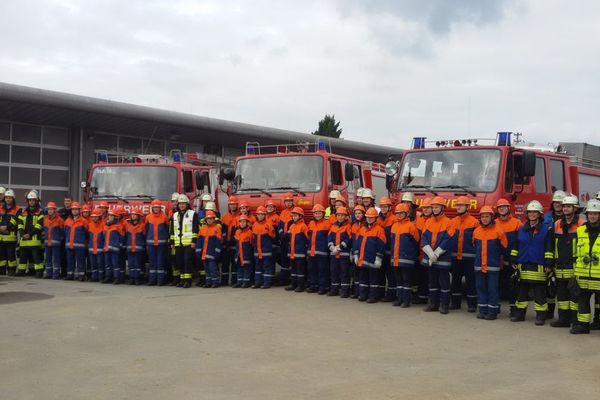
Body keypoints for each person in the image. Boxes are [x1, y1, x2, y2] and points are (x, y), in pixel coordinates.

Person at [545, 194, 586, 327]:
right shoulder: (557, 224)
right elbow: (550, 245)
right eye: (564, 206)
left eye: (569, 206)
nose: (566, 209)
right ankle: (563, 319)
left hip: (575, 268)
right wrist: (550, 264)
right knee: (561, 296)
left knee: (574, 297)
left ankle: (574, 320)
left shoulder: (581, 224)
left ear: (575, 209)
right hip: (560, 267)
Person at [510, 200, 552, 325]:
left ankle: (540, 316)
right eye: (530, 212)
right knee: (521, 293)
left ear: (540, 214)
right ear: (527, 214)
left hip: (539, 265)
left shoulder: (546, 229)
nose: (532, 214)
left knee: (539, 294)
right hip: (523, 264)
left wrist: (549, 263)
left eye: (535, 212)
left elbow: (549, 247)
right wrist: (513, 259)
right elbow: (516, 246)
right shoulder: (522, 228)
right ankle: (519, 315)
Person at [421, 196, 455, 314]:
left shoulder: (448, 222)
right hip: (431, 258)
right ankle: (433, 304)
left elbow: (448, 240)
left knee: (444, 283)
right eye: (433, 207)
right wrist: (430, 253)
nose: (434, 209)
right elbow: (424, 238)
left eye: (437, 207)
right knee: (432, 283)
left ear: (442, 208)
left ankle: (444, 305)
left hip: (443, 259)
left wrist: (436, 253)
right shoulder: (428, 222)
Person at [473, 206, 507, 320]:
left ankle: (492, 311)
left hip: (493, 266)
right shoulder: (476, 231)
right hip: (479, 265)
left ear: (492, 217)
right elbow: (475, 246)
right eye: (482, 216)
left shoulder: (498, 231)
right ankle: (482, 310)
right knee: (481, 288)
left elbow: (504, 247)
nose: (484, 218)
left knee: (492, 289)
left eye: (487, 216)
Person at [571, 199, 600, 334]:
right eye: (590, 214)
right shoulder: (580, 230)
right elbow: (575, 253)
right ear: (586, 215)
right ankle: (583, 325)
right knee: (583, 301)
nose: (592, 216)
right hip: (582, 274)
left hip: (599, 275)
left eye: (595, 214)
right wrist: (575, 273)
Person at [449, 196, 479, 312]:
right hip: (455, 257)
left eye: (461, 205)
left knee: (471, 282)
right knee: (455, 281)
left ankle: (472, 305)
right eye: (458, 205)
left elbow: (477, 241)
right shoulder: (453, 222)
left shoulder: (474, 222)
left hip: (469, 258)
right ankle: (455, 303)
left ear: (467, 207)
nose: (459, 207)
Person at [495, 198, 523, 317]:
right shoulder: (494, 222)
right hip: (497, 260)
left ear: (508, 208)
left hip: (511, 260)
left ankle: (514, 310)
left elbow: (521, 242)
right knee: (496, 286)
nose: (502, 209)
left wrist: (516, 258)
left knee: (513, 287)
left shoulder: (517, 223)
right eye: (499, 207)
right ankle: (495, 308)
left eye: (504, 207)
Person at [353, 207, 386, 303]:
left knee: (373, 279)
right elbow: (356, 243)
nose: (369, 219)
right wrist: (356, 255)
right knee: (363, 278)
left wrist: (379, 258)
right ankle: (363, 294)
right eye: (367, 217)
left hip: (372, 259)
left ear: (376, 218)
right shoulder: (362, 229)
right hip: (362, 259)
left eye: (371, 217)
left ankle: (373, 296)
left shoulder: (379, 230)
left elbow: (381, 245)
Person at [389, 203, 420, 307]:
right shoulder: (394, 226)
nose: (399, 215)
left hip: (407, 259)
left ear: (406, 214)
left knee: (407, 281)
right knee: (398, 281)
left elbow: (416, 242)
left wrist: (411, 256)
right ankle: (399, 299)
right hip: (396, 259)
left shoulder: (411, 226)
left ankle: (406, 301)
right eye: (397, 213)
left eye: (401, 213)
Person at [171, 194, 199, 289]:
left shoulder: (192, 214)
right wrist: (172, 242)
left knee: (187, 261)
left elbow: (195, 228)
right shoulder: (175, 215)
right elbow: (172, 230)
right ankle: (182, 280)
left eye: (183, 204)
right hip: (178, 243)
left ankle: (188, 281)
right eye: (180, 204)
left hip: (189, 243)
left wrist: (194, 241)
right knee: (180, 261)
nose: (182, 205)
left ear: (187, 204)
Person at [17, 190, 45, 278]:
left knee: (37, 257)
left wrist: (30, 234)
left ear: (36, 201)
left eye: (33, 200)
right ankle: (21, 271)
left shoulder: (40, 212)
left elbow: (39, 226)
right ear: (28, 201)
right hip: (24, 240)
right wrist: (22, 234)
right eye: (30, 200)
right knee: (23, 257)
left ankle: (39, 272)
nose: (31, 202)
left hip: (35, 240)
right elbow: (20, 224)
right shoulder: (23, 212)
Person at [328, 206, 352, 297]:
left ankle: (345, 291)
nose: (340, 217)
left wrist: (340, 247)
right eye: (339, 215)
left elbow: (349, 239)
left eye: (342, 215)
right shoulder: (333, 226)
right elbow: (329, 237)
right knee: (334, 271)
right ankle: (334, 289)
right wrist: (331, 246)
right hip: (334, 254)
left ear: (345, 216)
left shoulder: (348, 226)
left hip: (344, 254)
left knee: (344, 272)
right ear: (336, 216)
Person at [307, 204, 331, 294]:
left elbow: (330, 237)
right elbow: (308, 236)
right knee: (312, 269)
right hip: (312, 251)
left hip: (322, 252)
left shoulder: (327, 223)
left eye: (319, 213)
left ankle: (322, 287)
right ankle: (313, 286)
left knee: (322, 270)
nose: (317, 215)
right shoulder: (311, 223)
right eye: (316, 213)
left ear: (323, 213)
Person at [145, 199, 169, 286]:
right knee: (152, 262)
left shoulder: (164, 217)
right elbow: (146, 230)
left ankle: (160, 280)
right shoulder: (148, 217)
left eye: (157, 207)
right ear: (152, 208)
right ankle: (152, 280)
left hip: (161, 244)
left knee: (160, 262)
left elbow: (167, 230)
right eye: (154, 207)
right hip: (151, 244)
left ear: (160, 208)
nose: (156, 209)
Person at [414, 198, 433, 304]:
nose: (425, 210)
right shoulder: (418, 218)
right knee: (421, 276)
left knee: (430, 277)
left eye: (428, 208)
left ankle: (431, 298)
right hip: (420, 252)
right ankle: (421, 297)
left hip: (430, 252)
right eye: (424, 208)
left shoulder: (434, 220)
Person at [197, 210, 223, 288]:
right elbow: (199, 242)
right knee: (207, 269)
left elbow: (219, 243)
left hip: (212, 254)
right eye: (208, 219)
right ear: (205, 219)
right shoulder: (202, 229)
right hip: (204, 254)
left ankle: (215, 282)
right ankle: (208, 282)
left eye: (211, 218)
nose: (209, 220)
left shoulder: (217, 228)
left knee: (213, 269)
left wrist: (216, 254)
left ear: (214, 219)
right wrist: (198, 252)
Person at [285, 207, 309, 292]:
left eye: (296, 216)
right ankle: (293, 284)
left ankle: (300, 285)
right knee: (293, 270)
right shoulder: (292, 226)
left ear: (300, 216)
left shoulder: (303, 226)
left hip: (300, 253)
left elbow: (308, 239)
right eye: (293, 216)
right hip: (292, 252)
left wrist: (307, 251)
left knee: (300, 271)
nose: (294, 217)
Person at [252, 206, 276, 288]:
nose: (260, 216)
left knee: (267, 267)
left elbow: (273, 236)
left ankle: (267, 283)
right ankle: (258, 282)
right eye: (259, 214)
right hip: (257, 251)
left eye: (262, 214)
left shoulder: (268, 224)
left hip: (266, 250)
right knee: (258, 267)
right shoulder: (254, 225)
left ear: (265, 215)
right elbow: (253, 238)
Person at [378, 196, 396, 302]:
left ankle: (391, 294)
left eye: (385, 206)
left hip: (390, 251)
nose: (383, 208)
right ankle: (380, 293)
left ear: (389, 207)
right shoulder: (378, 218)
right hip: (381, 251)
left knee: (391, 274)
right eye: (382, 207)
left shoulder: (394, 219)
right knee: (380, 273)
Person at [64, 202, 88, 281]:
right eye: (73, 209)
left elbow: (87, 233)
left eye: (76, 209)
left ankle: (81, 275)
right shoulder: (67, 221)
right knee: (70, 261)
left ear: (79, 210)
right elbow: (65, 232)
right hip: (69, 245)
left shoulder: (84, 221)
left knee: (81, 262)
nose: (74, 211)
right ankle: (70, 275)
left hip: (80, 246)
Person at [221, 196, 240, 286]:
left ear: (237, 205)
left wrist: (232, 242)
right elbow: (223, 231)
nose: (232, 206)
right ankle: (224, 281)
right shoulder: (225, 217)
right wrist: (224, 241)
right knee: (225, 263)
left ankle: (234, 281)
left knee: (234, 263)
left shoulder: (240, 217)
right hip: (226, 245)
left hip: (234, 245)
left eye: (234, 204)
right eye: (231, 204)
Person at [0, 190, 19, 276]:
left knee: (11, 255)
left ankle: (12, 270)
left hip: (11, 236)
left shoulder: (17, 209)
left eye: (9, 198)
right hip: (1, 236)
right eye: (6, 198)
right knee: (1, 255)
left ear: (13, 199)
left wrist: (6, 227)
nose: (8, 199)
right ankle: (2, 270)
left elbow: (16, 220)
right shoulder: (1, 208)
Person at [278, 193, 295, 285]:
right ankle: (283, 280)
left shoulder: (296, 211)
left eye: (290, 201)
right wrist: (281, 233)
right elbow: (280, 225)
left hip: (291, 240)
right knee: (284, 259)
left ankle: (292, 281)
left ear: (293, 202)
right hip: (283, 240)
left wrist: (288, 234)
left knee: (292, 260)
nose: (288, 203)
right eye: (287, 201)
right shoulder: (283, 212)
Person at [103, 208, 124, 284]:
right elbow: (103, 237)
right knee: (108, 264)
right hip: (107, 248)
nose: (110, 217)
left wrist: (120, 245)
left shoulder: (118, 226)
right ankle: (108, 277)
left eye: (112, 216)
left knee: (115, 264)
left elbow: (122, 236)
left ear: (115, 217)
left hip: (115, 248)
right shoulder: (105, 225)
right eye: (110, 216)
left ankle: (116, 278)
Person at [43, 202, 64, 279]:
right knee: (48, 259)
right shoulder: (45, 219)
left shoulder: (60, 220)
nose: (50, 211)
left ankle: (56, 274)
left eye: (51, 209)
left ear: (55, 210)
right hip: (47, 243)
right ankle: (49, 273)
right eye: (49, 209)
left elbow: (62, 232)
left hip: (56, 243)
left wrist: (60, 239)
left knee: (56, 259)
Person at [125, 209, 145, 285]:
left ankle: (137, 278)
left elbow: (144, 236)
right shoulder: (128, 225)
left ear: (138, 216)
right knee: (131, 264)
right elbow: (126, 236)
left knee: (137, 264)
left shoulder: (142, 225)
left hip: (138, 248)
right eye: (132, 215)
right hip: (130, 248)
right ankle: (131, 278)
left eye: (135, 215)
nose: (133, 216)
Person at [233, 214, 254, 288]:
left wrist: (251, 255)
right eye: (241, 222)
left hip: (246, 254)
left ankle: (246, 282)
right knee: (239, 268)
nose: (242, 223)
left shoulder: (250, 232)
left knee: (246, 268)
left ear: (247, 223)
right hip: (238, 254)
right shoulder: (237, 232)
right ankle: (239, 282)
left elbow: (252, 245)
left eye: (244, 222)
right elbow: (236, 244)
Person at [350, 205, 366, 298]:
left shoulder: (365, 225)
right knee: (355, 272)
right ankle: (356, 292)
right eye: (356, 213)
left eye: (359, 213)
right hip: (355, 251)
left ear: (363, 214)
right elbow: (352, 239)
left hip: (363, 251)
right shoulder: (353, 225)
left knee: (362, 272)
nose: (357, 215)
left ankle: (362, 292)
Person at [87, 208, 105, 282]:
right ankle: (94, 277)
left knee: (100, 264)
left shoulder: (103, 225)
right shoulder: (90, 225)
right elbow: (88, 236)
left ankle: (101, 277)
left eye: (96, 216)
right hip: (92, 248)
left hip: (100, 248)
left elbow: (105, 237)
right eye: (93, 216)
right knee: (93, 263)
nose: (94, 218)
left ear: (99, 217)